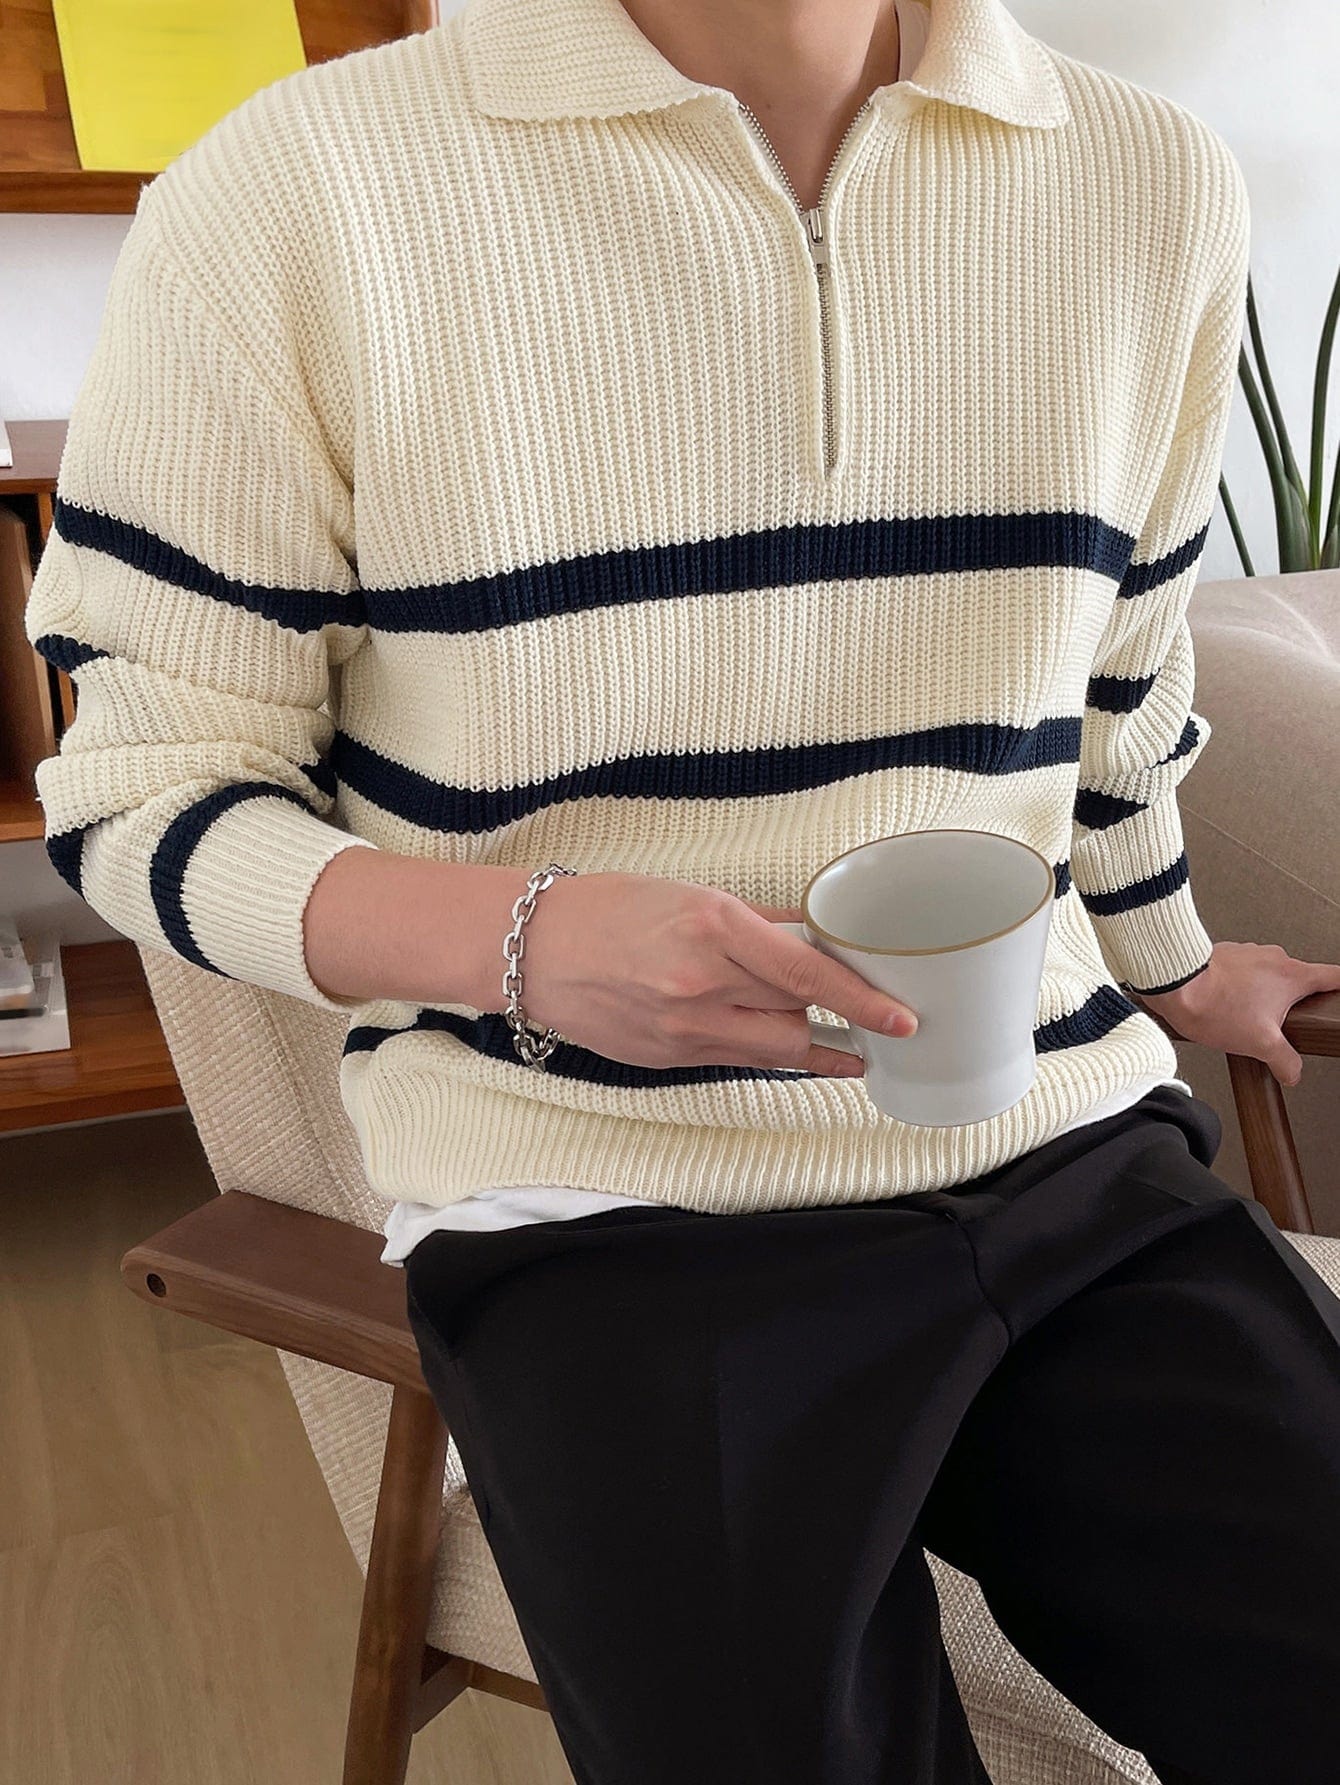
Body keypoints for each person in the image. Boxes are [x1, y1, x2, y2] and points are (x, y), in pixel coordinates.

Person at [23, 0, 1340, 1779]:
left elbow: (1122, 675)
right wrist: (524, 942)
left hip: (1059, 1134)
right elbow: (138, 795)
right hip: (599, 1201)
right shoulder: (294, 196)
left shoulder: (1147, 181)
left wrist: (1176, 965)